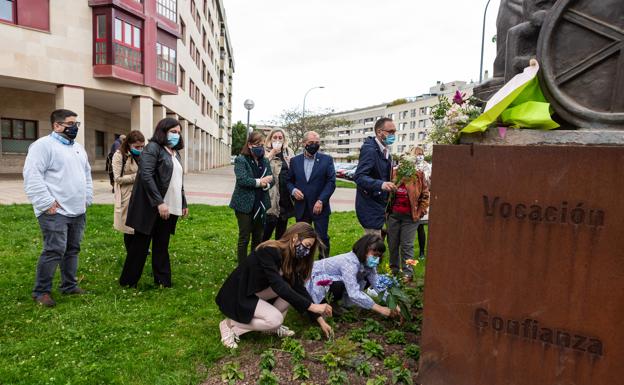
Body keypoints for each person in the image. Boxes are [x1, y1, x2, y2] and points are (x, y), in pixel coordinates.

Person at [216, 222, 333, 349]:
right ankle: (229, 324)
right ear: (295, 238)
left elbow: (298, 289)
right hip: (239, 295)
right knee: (275, 319)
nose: (307, 251)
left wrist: (320, 320)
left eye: (310, 248)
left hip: (256, 292)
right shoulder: (268, 251)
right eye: (307, 245)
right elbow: (278, 286)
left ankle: (271, 327)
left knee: (291, 290)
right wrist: (312, 306)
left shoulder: (291, 257)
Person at [23, 109, 93, 307]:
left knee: (72, 249)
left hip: (77, 210)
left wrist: (87, 197)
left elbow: (86, 174)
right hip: (55, 211)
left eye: (76, 124)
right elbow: (32, 175)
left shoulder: (78, 148)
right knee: (54, 250)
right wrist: (46, 203)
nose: (75, 127)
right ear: (57, 125)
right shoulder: (43, 146)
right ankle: (41, 292)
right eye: (71, 124)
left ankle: (69, 286)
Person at [120, 118, 188, 288]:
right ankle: (128, 282)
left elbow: (177, 181)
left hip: (170, 206)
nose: (176, 135)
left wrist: (183, 202)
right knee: (140, 246)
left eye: (178, 132)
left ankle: (163, 281)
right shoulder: (153, 148)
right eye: (173, 131)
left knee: (162, 244)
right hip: (152, 207)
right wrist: (159, 202)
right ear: (163, 131)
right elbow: (146, 175)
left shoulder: (175, 153)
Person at [306, 234, 400, 317]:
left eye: (379, 256)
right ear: (364, 250)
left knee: (366, 279)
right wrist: (380, 309)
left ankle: (335, 304)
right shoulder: (350, 263)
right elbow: (353, 293)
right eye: (374, 255)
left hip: (332, 280)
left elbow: (377, 284)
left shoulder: (368, 264)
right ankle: (324, 304)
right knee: (338, 285)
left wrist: (393, 304)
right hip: (312, 279)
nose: (377, 259)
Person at [287, 131, 336, 257]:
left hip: (320, 207)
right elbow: (289, 181)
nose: (314, 145)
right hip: (301, 207)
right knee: (302, 238)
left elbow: (331, 182)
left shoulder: (327, 160)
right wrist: (293, 190)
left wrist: (321, 200)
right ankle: (302, 265)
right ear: (304, 143)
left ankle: (324, 265)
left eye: (317, 143)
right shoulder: (294, 161)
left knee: (322, 237)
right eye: (311, 143)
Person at [230, 131, 274, 264]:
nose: (260, 147)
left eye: (262, 145)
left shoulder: (265, 161)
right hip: (244, 205)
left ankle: (253, 265)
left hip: (261, 203)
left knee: (258, 237)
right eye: (257, 144)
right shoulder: (241, 160)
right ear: (249, 145)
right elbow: (243, 180)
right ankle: (242, 267)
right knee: (244, 237)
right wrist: (260, 182)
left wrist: (266, 184)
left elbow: (272, 180)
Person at [386, 147, 430, 279]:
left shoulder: (418, 175)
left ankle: (407, 275)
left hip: (410, 217)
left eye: (409, 162)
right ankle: (393, 273)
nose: (406, 165)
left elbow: (425, 195)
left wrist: (420, 211)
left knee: (407, 246)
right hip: (394, 215)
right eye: (403, 162)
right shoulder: (394, 174)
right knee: (393, 244)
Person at [353, 118, 396, 236]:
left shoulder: (385, 150)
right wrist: (381, 184)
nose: (393, 135)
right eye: (390, 132)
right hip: (370, 206)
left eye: (394, 132)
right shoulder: (370, 150)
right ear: (379, 132)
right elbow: (359, 177)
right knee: (373, 246)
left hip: (381, 205)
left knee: (378, 244)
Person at [112, 130, 145, 255]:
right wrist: (138, 176)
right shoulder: (119, 155)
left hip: (141, 194)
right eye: (137, 147)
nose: (140, 149)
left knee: (140, 225)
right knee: (129, 227)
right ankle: (131, 252)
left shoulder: (143, 154)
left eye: (142, 146)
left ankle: (140, 250)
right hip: (127, 196)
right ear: (129, 144)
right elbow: (117, 179)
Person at [263, 129, 294, 241]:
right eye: (274, 137)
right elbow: (260, 167)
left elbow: (293, 172)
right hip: (270, 195)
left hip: (285, 196)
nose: (277, 140)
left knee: (281, 230)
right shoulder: (265, 151)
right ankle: (261, 253)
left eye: (280, 138)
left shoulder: (288, 152)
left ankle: (278, 254)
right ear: (270, 139)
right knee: (267, 228)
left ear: (284, 139)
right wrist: (272, 153)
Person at [414, 147, 432, 259]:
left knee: (420, 226)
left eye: (421, 154)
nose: (420, 156)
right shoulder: (410, 165)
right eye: (417, 154)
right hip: (410, 198)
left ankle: (421, 252)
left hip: (421, 198)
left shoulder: (426, 166)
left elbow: (429, 182)